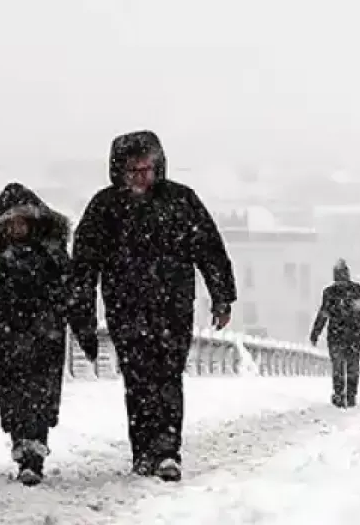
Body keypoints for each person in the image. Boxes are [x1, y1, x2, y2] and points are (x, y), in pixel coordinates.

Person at [68, 130, 237, 483]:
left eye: (147, 169)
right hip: (125, 307)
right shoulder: (104, 208)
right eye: (133, 171)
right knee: (138, 379)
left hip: (172, 307)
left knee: (168, 376)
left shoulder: (181, 201)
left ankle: (166, 450)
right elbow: (83, 265)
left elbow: (209, 249)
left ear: (158, 167)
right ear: (120, 171)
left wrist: (222, 296)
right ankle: (143, 451)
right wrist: (82, 313)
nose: (141, 177)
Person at [0, 183, 95, 486]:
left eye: (22, 220)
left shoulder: (51, 254)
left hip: (43, 338)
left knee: (40, 398)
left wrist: (84, 330)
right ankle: (24, 449)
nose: (17, 227)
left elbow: (72, 294)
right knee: (12, 398)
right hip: (5, 338)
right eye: (11, 221)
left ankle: (33, 453)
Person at [309, 259, 360, 408]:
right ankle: (350, 395)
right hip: (353, 336)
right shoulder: (358, 291)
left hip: (337, 336)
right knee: (351, 367)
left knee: (339, 367)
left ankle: (340, 395)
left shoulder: (330, 293)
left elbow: (323, 314)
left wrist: (315, 333)